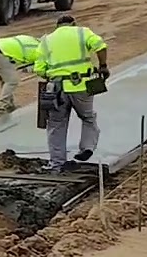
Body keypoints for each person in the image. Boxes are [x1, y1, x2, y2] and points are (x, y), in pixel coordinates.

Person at [34, 15, 108, 171]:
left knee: (56, 125)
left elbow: (39, 69)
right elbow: (100, 46)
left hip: (57, 89)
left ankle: (57, 163)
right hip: (81, 85)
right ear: (74, 24)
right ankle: (87, 147)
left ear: (57, 26)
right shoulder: (82, 32)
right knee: (88, 117)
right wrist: (103, 66)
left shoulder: (46, 40)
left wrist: (53, 75)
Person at [0, 34, 41, 118]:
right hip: (0, 53)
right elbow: (39, 66)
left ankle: (9, 106)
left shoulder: (31, 40)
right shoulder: (40, 49)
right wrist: (30, 69)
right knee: (12, 81)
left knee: (5, 80)